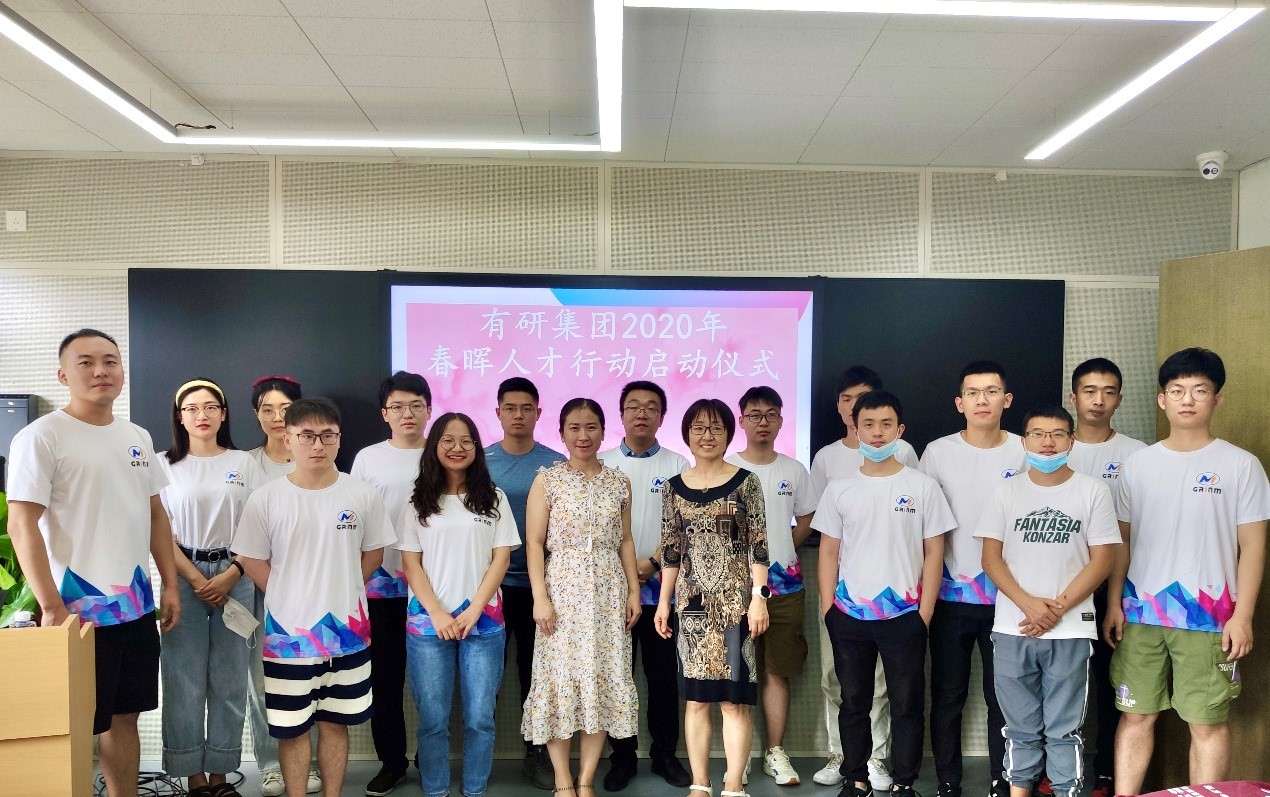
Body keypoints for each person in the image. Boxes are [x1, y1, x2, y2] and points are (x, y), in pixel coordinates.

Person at [6, 328, 180, 797]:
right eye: (86, 362)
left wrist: (168, 584)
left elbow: (155, 514)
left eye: (110, 361)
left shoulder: (136, 436)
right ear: (63, 374)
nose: (101, 371)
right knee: (75, 723)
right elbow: (21, 524)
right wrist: (50, 606)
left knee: (125, 716)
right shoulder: (40, 437)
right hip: (75, 613)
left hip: (135, 608)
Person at [1105, 348, 1268, 792]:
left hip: (1209, 618)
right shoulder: (1139, 464)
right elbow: (1122, 542)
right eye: (1177, 391)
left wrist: (1243, 616)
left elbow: (1253, 546)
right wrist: (1114, 602)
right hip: (1141, 614)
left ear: (1217, 399)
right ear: (1162, 400)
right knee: (1135, 715)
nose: (1188, 399)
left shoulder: (1240, 465)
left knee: (1207, 722)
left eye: (1199, 390)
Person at [231, 398, 396, 797]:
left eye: (327, 436)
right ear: (288, 438)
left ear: (339, 439)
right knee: (292, 728)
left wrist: (343, 586)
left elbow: (374, 554)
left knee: (336, 724)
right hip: (288, 639)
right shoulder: (266, 498)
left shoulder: (362, 494)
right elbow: (251, 558)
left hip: (348, 634)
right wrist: (287, 594)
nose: (318, 445)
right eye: (307, 435)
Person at [977, 405, 1120, 797]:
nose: (1048, 442)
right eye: (1038, 434)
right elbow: (990, 559)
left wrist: (1055, 607)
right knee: (1019, 729)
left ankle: (1065, 791)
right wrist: (1028, 605)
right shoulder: (1006, 492)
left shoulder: (1093, 491)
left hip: (1070, 629)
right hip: (1013, 627)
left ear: (1071, 441)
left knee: (1065, 730)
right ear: (1024, 441)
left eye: (1057, 434)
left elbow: (1103, 559)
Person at [814, 390, 952, 797]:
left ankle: (904, 782)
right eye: (869, 425)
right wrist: (829, 608)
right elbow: (828, 551)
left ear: (900, 430)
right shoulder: (840, 488)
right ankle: (855, 779)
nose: (877, 433)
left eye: (886, 425)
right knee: (853, 702)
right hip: (849, 615)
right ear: (855, 430)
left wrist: (925, 612)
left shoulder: (923, 486)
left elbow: (934, 551)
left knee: (907, 704)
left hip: (905, 615)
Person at [521, 398, 641, 797]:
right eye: (574, 427)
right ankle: (562, 780)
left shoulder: (619, 482)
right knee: (559, 681)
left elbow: (626, 541)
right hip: (562, 590)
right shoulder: (547, 480)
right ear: (561, 433)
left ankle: (586, 779)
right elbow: (534, 543)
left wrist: (633, 591)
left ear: (603, 431)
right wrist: (540, 597)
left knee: (602, 681)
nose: (583, 435)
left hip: (608, 591)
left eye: (591, 427)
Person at [397, 412, 518, 797]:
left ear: (477, 448)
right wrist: (437, 613)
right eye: (448, 440)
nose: (457, 448)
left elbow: (501, 559)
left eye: (466, 440)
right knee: (433, 720)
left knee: (480, 718)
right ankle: (435, 790)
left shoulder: (494, 498)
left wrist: (474, 609)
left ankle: (474, 789)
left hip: (484, 623)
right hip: (427, 625)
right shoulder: (417, 501)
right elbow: (411, 563)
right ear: (435, 446)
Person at [810, 366, 919, 790]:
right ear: (845, 412)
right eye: (849, 399)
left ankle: (877, 758)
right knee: (837, 681)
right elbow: (826, 538)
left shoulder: (904, 453)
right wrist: (828, 605)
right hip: (844, 598)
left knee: (882, 687)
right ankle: (842, 756)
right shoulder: (827, 458)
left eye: (866, 397)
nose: (874, 428)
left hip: (894, 600)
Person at [655, 398, 770, 797]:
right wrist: (664, 602)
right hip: (692, 609)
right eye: (699, 428)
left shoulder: (747, 482)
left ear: (728, 434)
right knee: (697, 700)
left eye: (716, 428)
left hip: (737, 607)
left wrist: (759, 597)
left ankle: (734, 783)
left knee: (734, 702)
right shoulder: (672, 488)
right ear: (687, 434)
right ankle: (700, 783)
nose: (707, 435)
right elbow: (671, 551)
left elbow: (758, 544)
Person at [921, 360, 1025, 797]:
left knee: (1004, 695)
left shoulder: (1025, 450)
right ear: (959, 403)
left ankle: (1005, 779)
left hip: (1011, 598)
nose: (983, 400)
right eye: (973, 392)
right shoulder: (937, 453)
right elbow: (925, 528)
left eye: (991, 391)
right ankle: (948, 780)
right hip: (951, 595)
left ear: (1007, 399)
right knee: (948, 694)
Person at [159, 378, 262, 797]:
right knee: (182, 678)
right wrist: (196, 578)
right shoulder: (162, 464)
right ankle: (193, 776)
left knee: (231, 678)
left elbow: (259, 526)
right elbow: (158, 531)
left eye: (210, 407)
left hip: (236, 574)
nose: (201, 415)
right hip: (181, 576)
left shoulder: (244, 462)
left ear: (224, 414)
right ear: (179, 417)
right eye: (192, 408)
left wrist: (233, 572)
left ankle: (220, 774)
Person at [598, 381, 692, 791]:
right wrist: (621, 570)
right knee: (617, 676)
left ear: (661, 416)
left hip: (662, 592)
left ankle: (665, 755)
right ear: (620, 414)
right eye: (633, 406)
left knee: (662, 677)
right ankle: (621, 757)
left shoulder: (678, 464)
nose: (642, 413)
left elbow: (686, 524)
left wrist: (652, 563)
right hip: (609, 592)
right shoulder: (601, 463)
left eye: (651, 407)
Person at [726, 386, 815, 787]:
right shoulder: (726, 468)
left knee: (777, 671)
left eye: (770, 415)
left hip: (785, 588)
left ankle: (775, 751)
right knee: (737, 672)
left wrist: (780, 552)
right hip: (733, 588)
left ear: (781, 420)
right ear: (741, 420)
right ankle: (740, 753)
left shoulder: (794, 470)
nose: (762, 422)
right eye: (754, 415)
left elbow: (806, 519)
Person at [1065, 357, 1146, 797]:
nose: (1098, 400)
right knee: (1063, 686)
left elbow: (1131, 535)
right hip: (1059, 592)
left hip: (1114, 591)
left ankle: (1108, 775)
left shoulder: (1137, 455)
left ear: (1119, 399)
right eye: (1089, 391)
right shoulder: (1052, 446)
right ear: (1073, 397)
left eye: (1108, 392)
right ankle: (1061, 772)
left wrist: (1115, 598)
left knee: (1110, 685)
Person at [350, 371, 431, 797]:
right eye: (398, 406)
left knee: (431, 681)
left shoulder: (443, 453)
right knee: (385, 679)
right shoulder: (368, 459)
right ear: (385, 413)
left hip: (433, 588)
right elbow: (355, 519)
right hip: (380, 588)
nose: (407, 413)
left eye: (416, 405)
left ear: (429, 410)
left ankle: (431, 758)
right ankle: (392, 762)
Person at [485, 376, 565, 789]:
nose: (518, 415)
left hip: (541, 589)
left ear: (538, 413)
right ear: (498, 413)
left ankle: (538, 755)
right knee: (488, 677)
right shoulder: (480, 461)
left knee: (537, 677)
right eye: (510, 408)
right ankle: (480, 757)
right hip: (490, 589)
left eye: (526, 408)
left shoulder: (555, 463)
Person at [242, 374, 317, 797]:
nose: (276, 417)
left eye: (285, 409)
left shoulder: (316, 457)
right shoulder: (245, 465)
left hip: (309, 588)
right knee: (262, 680)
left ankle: (307, 766)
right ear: (256, 415)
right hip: (256, 585)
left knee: (311, 676)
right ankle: (271, 765)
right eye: (266, 409)